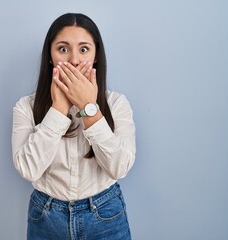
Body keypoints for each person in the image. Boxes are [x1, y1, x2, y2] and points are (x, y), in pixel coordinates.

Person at [12, 13, 136, 240]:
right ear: (50, 56)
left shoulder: (117, 104)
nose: (74, 60)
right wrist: (59, 109)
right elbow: (28, 169)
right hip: (47, 217)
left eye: (84, 49)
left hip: (105, 215)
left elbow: (119, 167)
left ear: (96, 55)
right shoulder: (26, 106)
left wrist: (89, 107)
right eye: (63, 49)